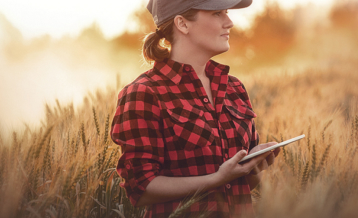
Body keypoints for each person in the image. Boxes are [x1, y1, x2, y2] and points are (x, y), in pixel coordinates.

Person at [111, 0, 281, 217]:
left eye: (226, 13)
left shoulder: (234, 88)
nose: (229, 23)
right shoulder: (145, 93)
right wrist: (216, 179)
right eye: (217, 13)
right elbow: (141, 190)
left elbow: (240, 187)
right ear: (182, 24)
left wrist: (254, 165)